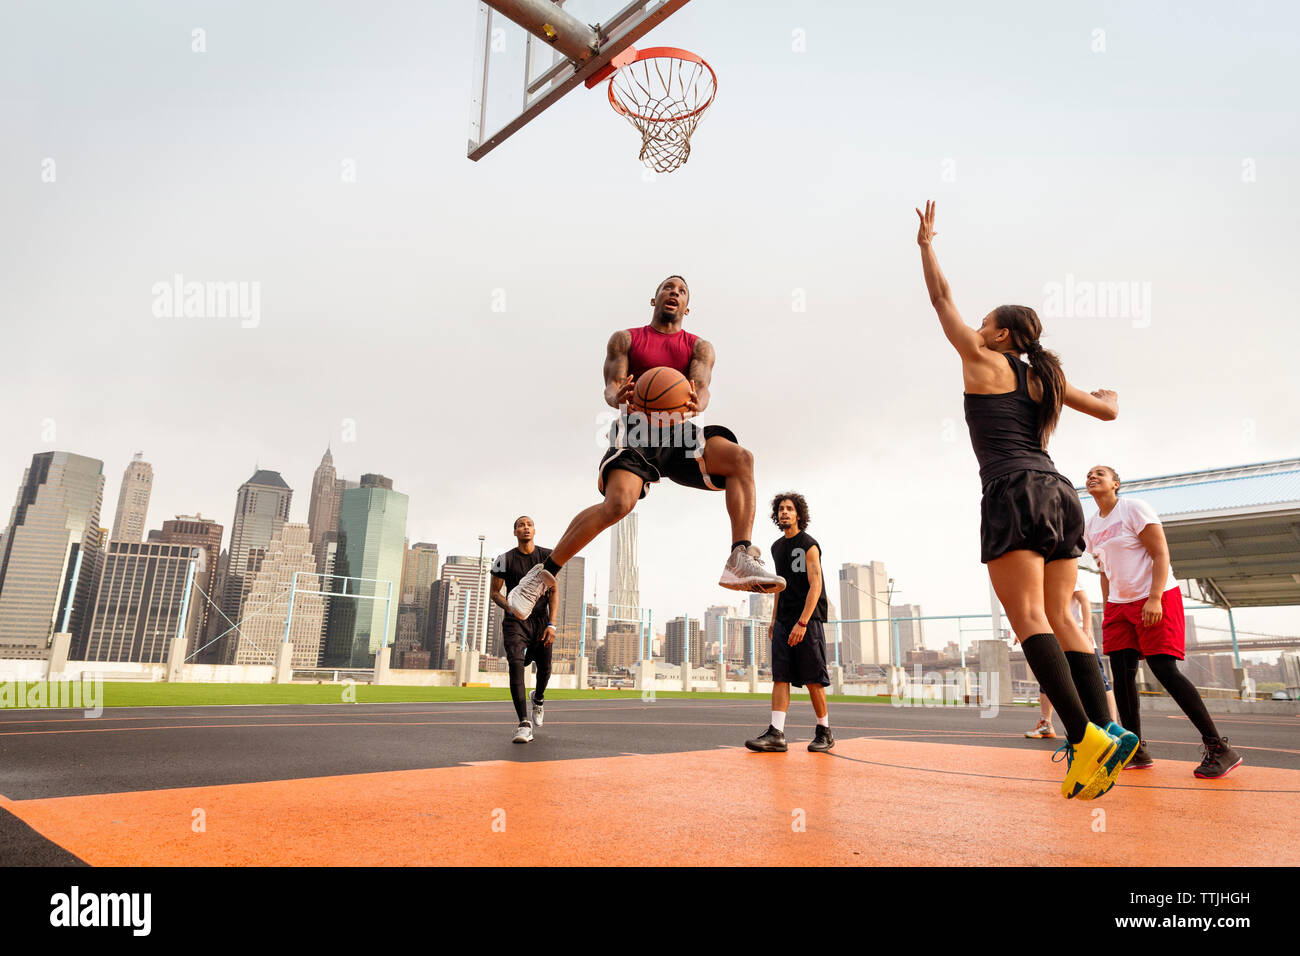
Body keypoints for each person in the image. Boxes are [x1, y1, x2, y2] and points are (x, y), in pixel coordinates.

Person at [915, 200, 1136, 800]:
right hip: (1061, 495)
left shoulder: (983, 359)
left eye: (987, 323)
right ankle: (1109, 727)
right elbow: (1110, 407)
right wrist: (1109, 392)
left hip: (1012, 489)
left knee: (1030, 619)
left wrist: (927, 246)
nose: (978, 329)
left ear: (1002, 335)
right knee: (1065, 617)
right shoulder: (1048, 380)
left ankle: (1082, 736)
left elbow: (940, 301)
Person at [505, 275, 785, 622]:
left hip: (679, 433)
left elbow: (702, 387)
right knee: (618, 504)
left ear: (687, 306)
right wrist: (616, 396)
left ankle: (740, 556)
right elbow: (611, 386)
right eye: (668, 288)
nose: (674, 293)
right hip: (636, 430)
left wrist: (700, 401)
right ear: (654, 300)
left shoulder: (699, 346)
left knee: (742, 459)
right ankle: (541, 576)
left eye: (681, 291)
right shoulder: (626, 339)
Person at [1083, 465, 1244, 778]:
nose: (1091, 476)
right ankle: (1135, 749)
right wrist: (1108, 607)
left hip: (1155, 595)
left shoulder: (1133, 509)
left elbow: (1160, 553)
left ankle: (1219, 748)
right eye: (1088, 473)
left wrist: (1155, 597)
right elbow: (1105, 571)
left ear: (1116, 483)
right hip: (1119, 604)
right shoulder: (1091, 527)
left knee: (1164, 670)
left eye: (1100, 473)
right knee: (1122, 675)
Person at [745, 493, 833, 753]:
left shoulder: (809, 544)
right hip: (783, 619)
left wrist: (803, 622)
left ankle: (824, 731)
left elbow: (815, 585)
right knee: (780, 677)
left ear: (798, 515)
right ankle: (776, 734)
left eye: (789, 509)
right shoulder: (775, 547)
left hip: (807, 620)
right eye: (781, 509)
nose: (784, 512)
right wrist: (774, 620)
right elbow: (779, 587)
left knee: (813, 678)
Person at [489, 516, 557, 744]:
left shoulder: (547, 556)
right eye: (520, 525)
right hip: (515, 621)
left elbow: (554, 591)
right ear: (515, 532)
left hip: (540, 620)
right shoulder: (504, 559)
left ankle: (538, 699)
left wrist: (552, 624)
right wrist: (510, 607)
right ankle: (523, 724)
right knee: (516, 664)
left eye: (529, 524)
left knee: (545, 668)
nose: (525, 527)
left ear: (535, 530)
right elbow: (495, 593)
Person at [1026, 583, 1118, 738]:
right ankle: (1046, 724)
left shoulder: (1061, 565)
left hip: (1077, 639)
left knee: (1099, 682)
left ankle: (1111, 726)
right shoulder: (1038, 577)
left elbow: (1084, 600)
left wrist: (1087, 629)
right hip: (1054, 639)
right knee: (1047, 679)